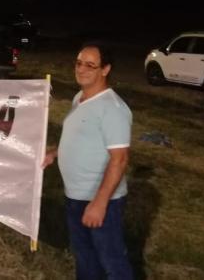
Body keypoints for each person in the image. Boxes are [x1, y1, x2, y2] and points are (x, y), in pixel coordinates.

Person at [42, 42, 133, 280]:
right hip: (75, 196)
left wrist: (99, 203)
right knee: (85, 258)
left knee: (112, 262)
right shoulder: (79, 98)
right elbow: (81, 139)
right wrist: (55, 152)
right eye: (79, 63)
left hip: (102, 200)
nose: (81, 69)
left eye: (90, 65)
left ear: (105, 70)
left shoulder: (112, 108)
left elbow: (120, 159)